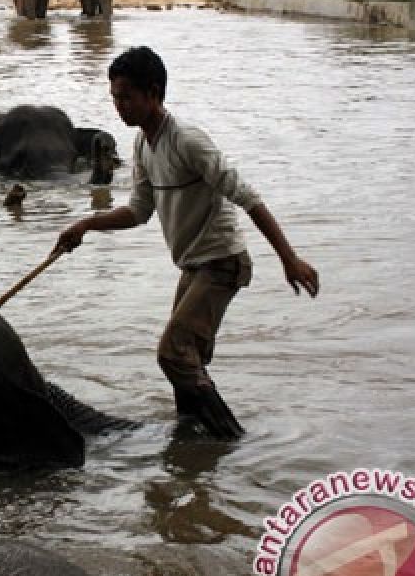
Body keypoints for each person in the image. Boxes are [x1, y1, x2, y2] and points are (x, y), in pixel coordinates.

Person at [54, 46, 319, 440]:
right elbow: (139, 212)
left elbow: (248, 197)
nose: (119, 106)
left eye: (126, 96)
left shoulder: (188, 142)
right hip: (194, 266)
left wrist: (290, 259)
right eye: (114, 97)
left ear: (154, 93)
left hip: (222, 262)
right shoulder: (143, 146)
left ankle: (232, 439)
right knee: (187, 363)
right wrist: (86, 224)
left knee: (172, 353)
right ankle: (193, 448)